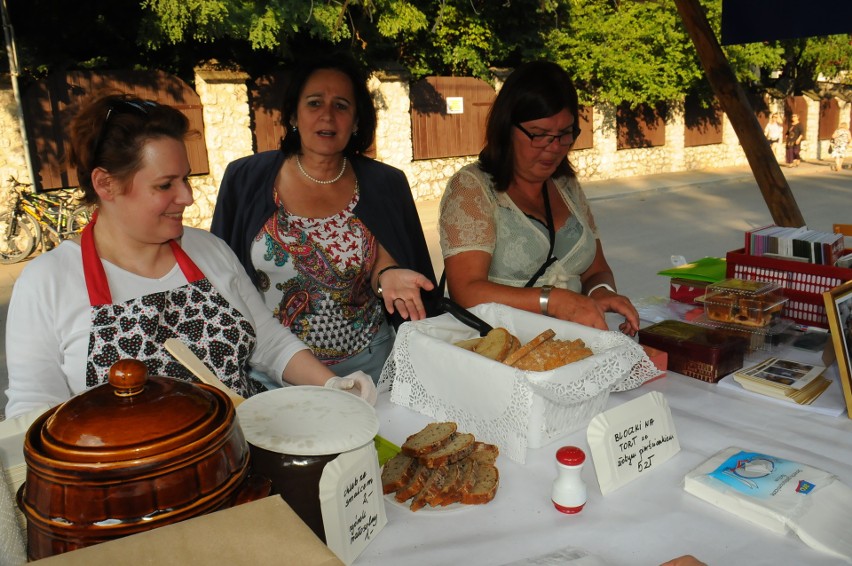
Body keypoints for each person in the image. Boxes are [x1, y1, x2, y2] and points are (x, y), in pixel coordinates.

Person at [4, 93, 376, 420]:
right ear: (106, 184)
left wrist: (332, 384)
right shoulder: (47, 283)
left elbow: (269, 342)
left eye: (186, 179)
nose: (187, 197)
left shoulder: (207, 249)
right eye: (165, 185)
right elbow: (35, 411)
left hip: (248, 454)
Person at [211, 54, 438, 382]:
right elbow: (221, 280)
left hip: (373, 367)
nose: (327, 116)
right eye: (314, 103)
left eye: (342, 105)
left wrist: (388, 276)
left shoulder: (385, 183)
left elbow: (385, 262)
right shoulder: (244, 178)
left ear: (357, 121)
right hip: (275, 374)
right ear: (294, 114)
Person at [438, 60, 639, 335]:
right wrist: (551, 300)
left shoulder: (566, 185)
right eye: (540, 135)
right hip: (499, 351)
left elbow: (596, 270)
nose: (554, 148)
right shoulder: (472, 188)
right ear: (508, 128)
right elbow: (466, 291)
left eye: (565, 134)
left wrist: (601, 292)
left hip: (570, 345)